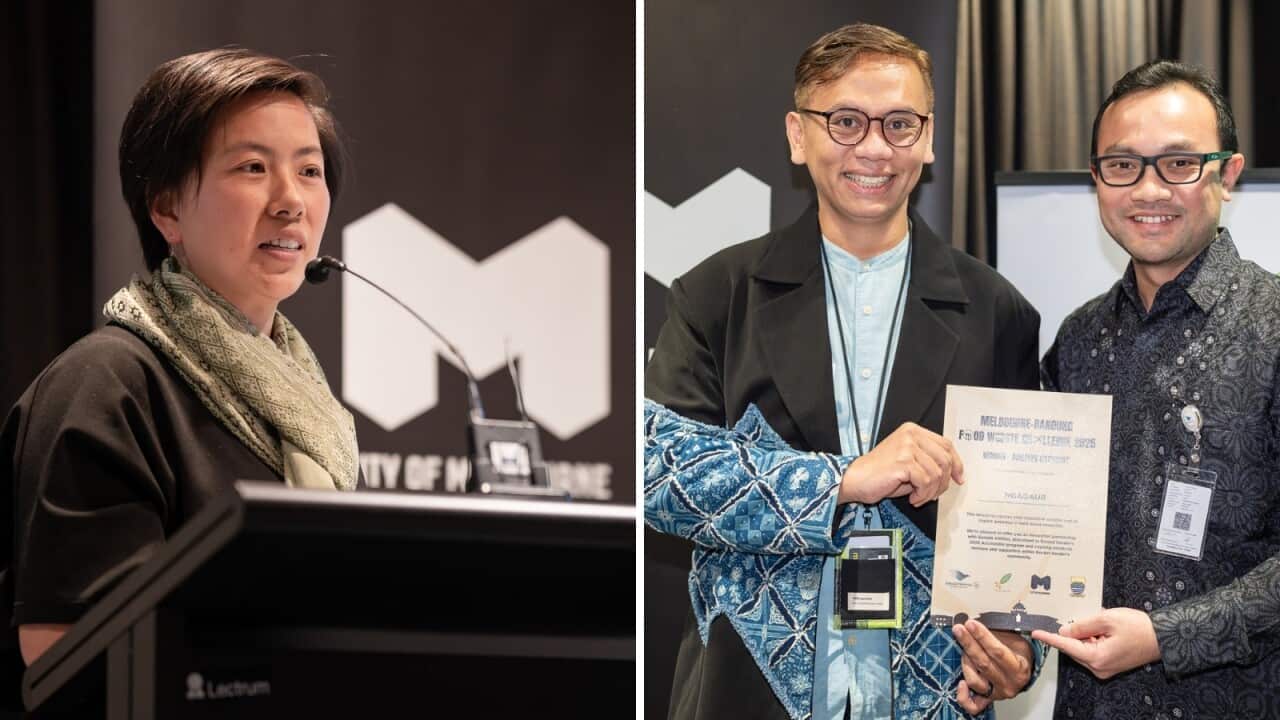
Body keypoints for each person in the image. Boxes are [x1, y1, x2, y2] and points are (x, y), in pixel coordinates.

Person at [644, 23, 1042, 720]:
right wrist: (841, 481)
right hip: (747, 688)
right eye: (846, 122)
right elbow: (659, 475)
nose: (874, 148)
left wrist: (1019, 643)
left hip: (932, 693)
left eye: (899, 124)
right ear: (799, 136)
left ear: (929, 138)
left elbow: (1022, 508)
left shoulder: (997, 312)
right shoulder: (717, 295)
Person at [1, 48, 359, 668]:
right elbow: (63, 652)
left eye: (309, 170)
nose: (290, 201)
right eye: (253, 167)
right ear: (166, 208)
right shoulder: (107, 384)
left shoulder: (308, 407)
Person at [1034, 60, 1280, 718]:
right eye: (1122, 166)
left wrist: (1165, 638)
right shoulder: (1077, 342)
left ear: (1228, 174)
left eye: (1178, 164)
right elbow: (1038, 529)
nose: (1147, 190)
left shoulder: (1275, 326)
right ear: (1096, 179)